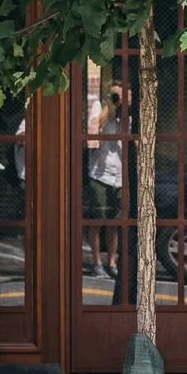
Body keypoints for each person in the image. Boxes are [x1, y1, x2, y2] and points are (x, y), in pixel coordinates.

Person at [85, 78, 128, 280]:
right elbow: (94, 128)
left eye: (121, 95)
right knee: (97, 220)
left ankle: (112, 262)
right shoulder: (99, 107)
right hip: (100, 173)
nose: (119, 99)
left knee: (114, 222)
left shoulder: (127, 115)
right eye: (114, 95)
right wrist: (110, 106)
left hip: (120, 175)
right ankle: (96, 262)